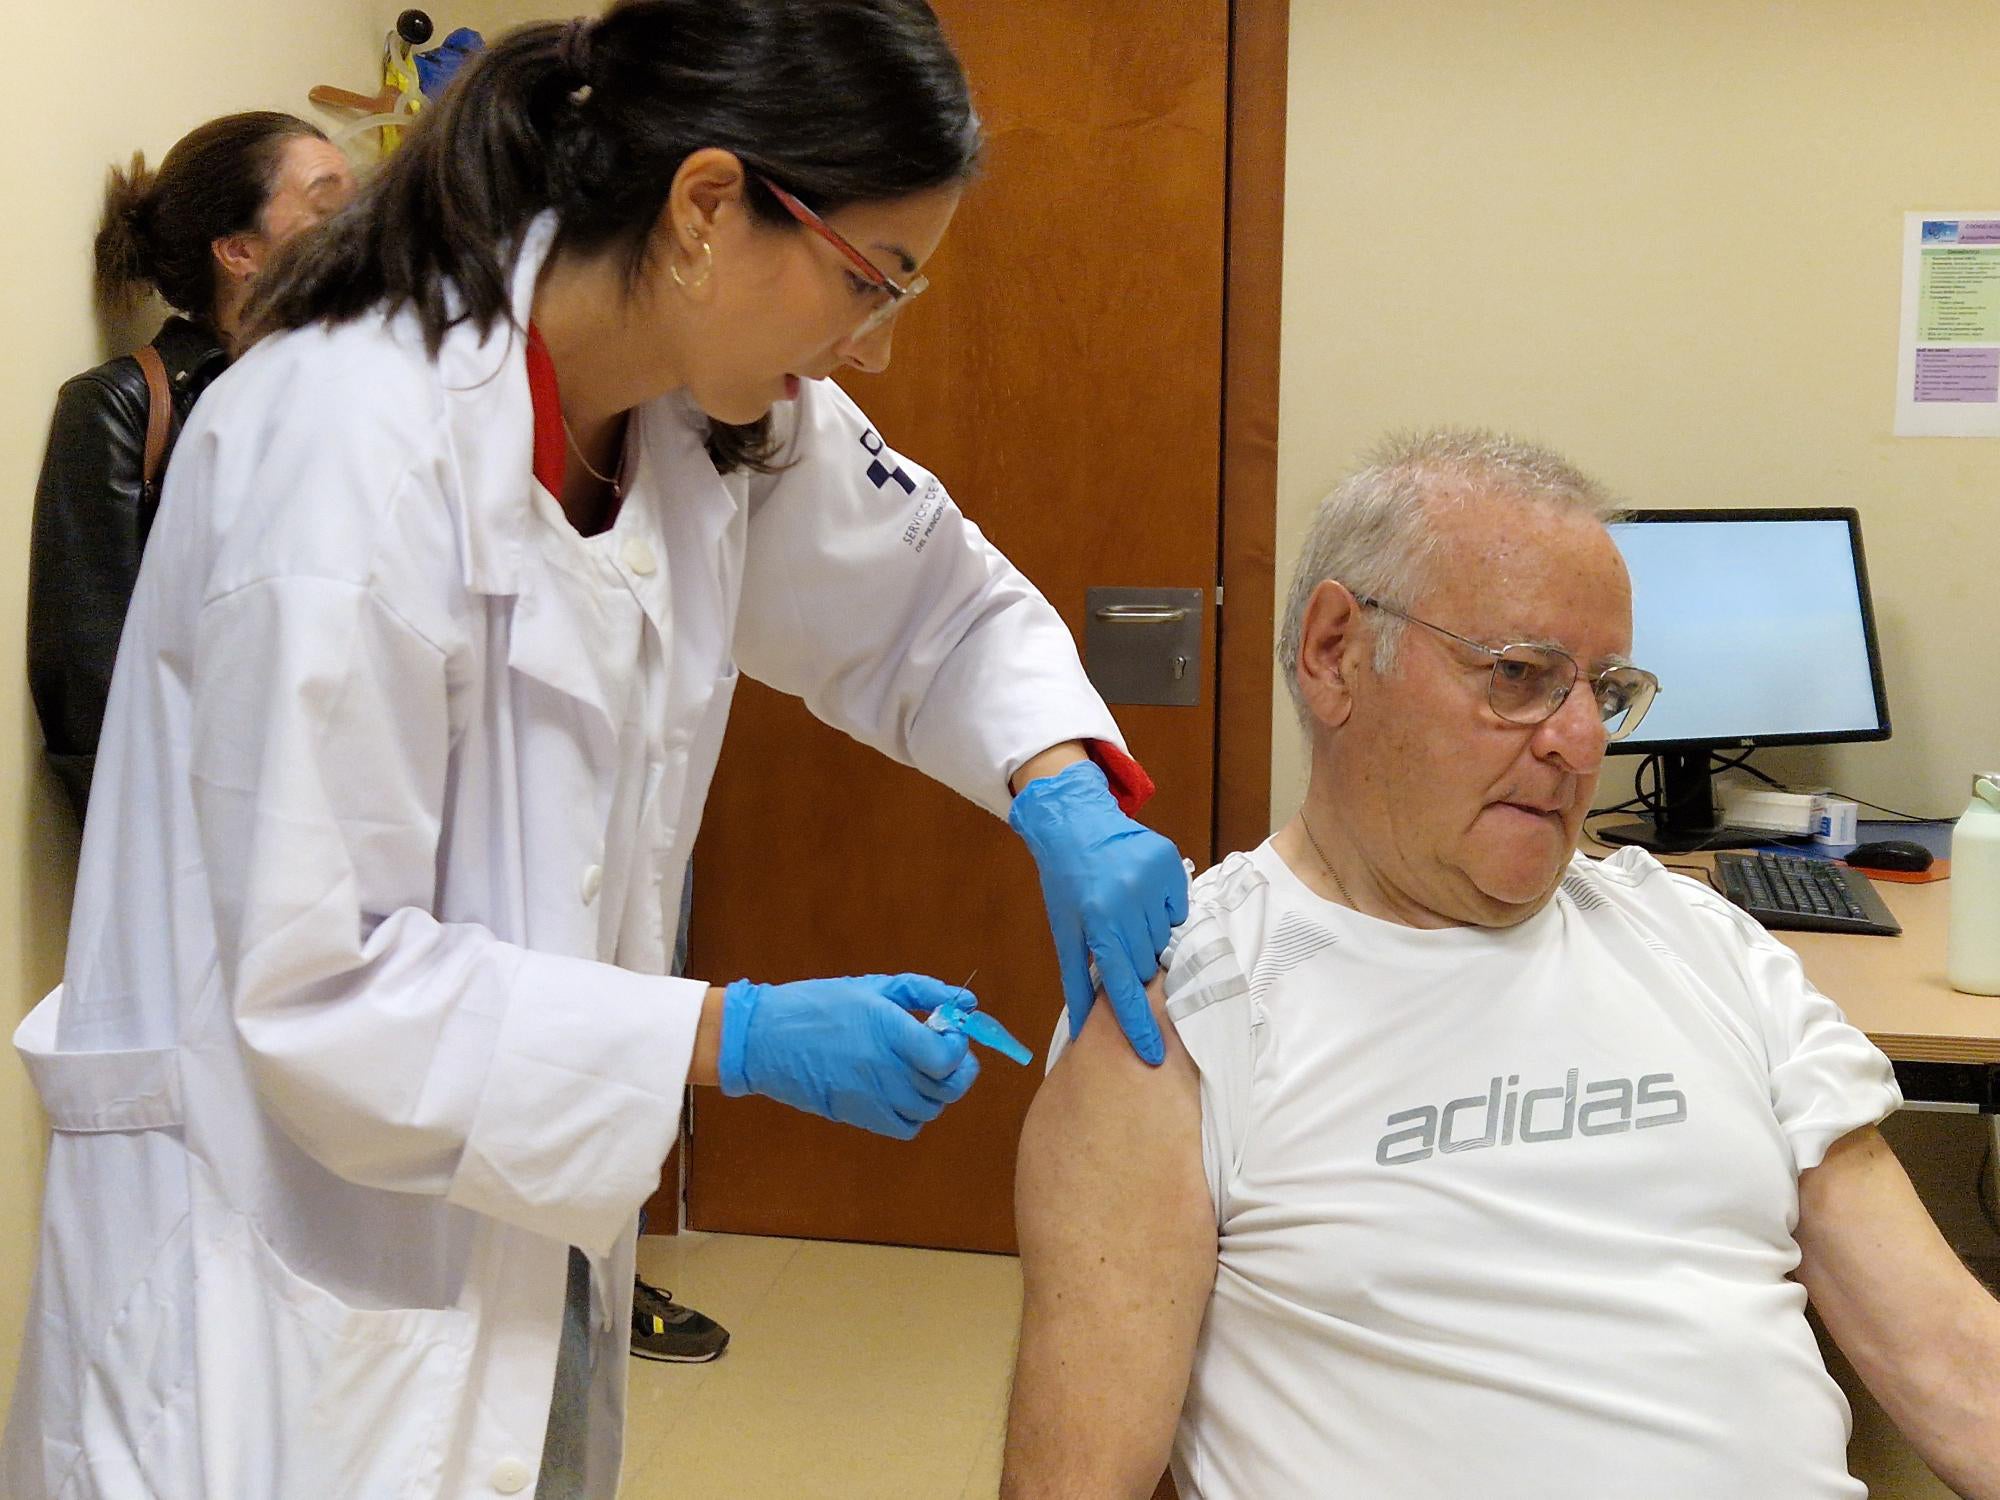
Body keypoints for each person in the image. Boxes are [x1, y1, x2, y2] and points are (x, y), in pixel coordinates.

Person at [4, 3, 1189, 1497]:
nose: (873, 350)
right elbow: (318, 990)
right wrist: (730, 1036)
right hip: (270, 1276)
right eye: (870, 280)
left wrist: (1061, 787)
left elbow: (928, 602)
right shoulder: (346, 443)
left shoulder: (706, 420)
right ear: (706, 206)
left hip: (521, 1224)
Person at [1002, 431, 2000, 1499]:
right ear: (1334, 653)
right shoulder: (1181, 1005)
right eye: (1518, 676)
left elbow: (1947, 1354)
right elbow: (1076, 1480)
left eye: (1604, 691)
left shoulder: (1701, 945)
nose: (1578, 741)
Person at [27, 111, 357, 820]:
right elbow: (93, 708)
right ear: (239, 252)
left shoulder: (363, 393)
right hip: (209, 844)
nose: (362, 232)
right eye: (329, 206)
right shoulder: (119, 409)